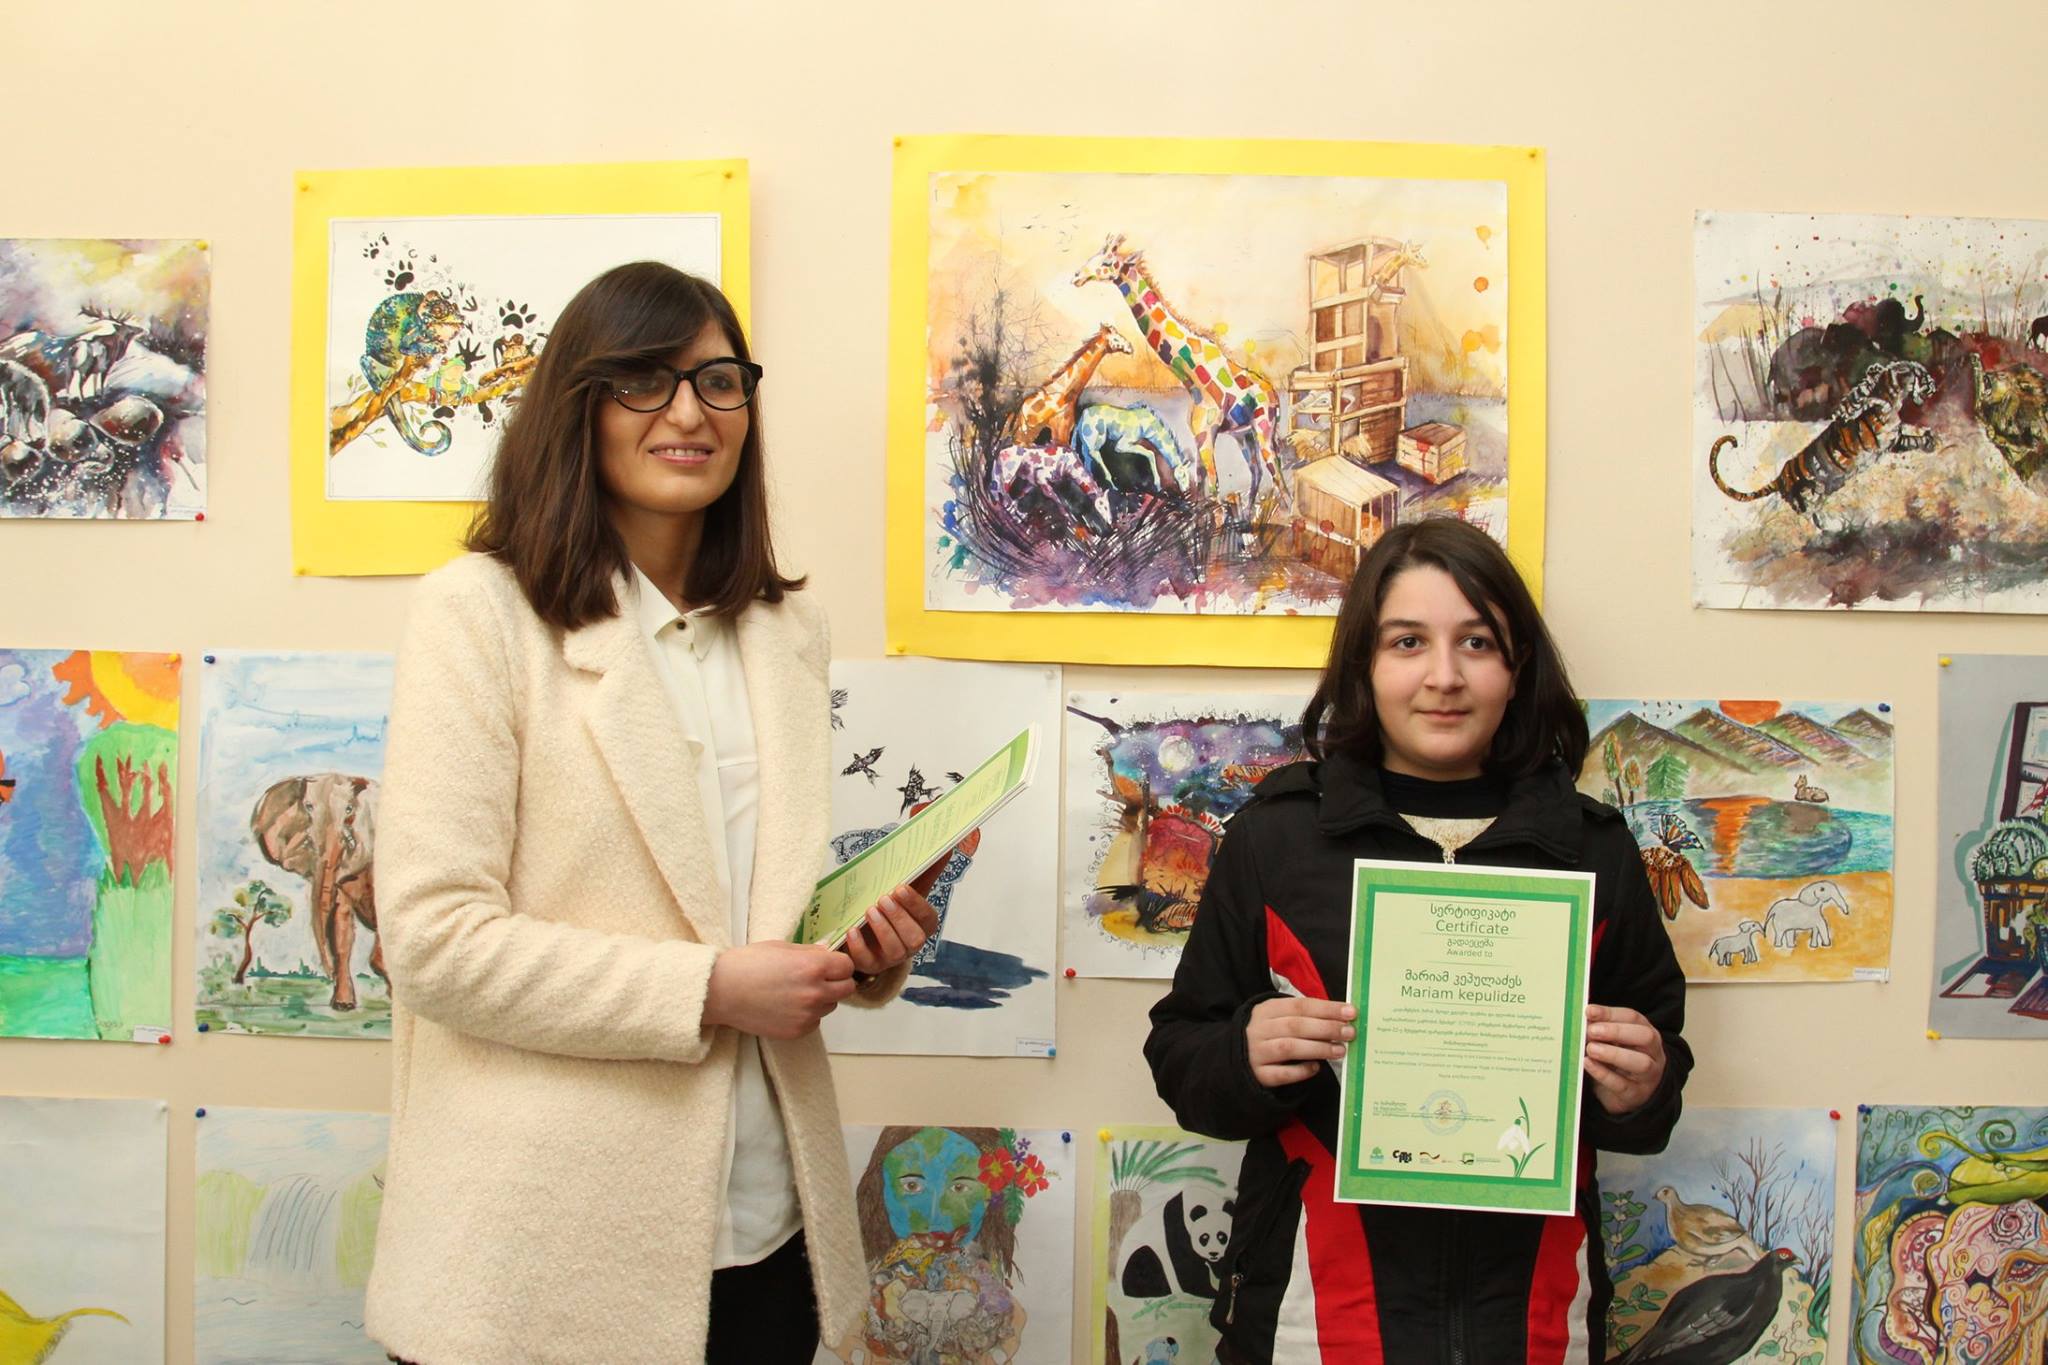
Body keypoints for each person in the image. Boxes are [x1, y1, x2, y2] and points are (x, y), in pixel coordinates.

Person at [364, 261, 942, 1365]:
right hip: (539, 1255)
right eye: (645, 380)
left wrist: (856, 949)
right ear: (576, 407)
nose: (689, 413)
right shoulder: (477, 614)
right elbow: (434, 943)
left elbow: (751, 911)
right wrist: (712, 988)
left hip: (767, 1229)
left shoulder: (784, 633)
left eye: (719, 381)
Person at [1144, 516, 1691, 1363]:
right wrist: (1242, 1053)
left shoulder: (1594, 850)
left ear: (1518, 666)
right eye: (1408, 641)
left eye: (1477, 642)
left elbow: (1659, 1077)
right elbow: (1181, 1055)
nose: (1444, 676)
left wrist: (1643, 1085)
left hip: (1536, 1319)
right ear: (1364, 662)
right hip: (1312, 1318)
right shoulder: (1277, 839)